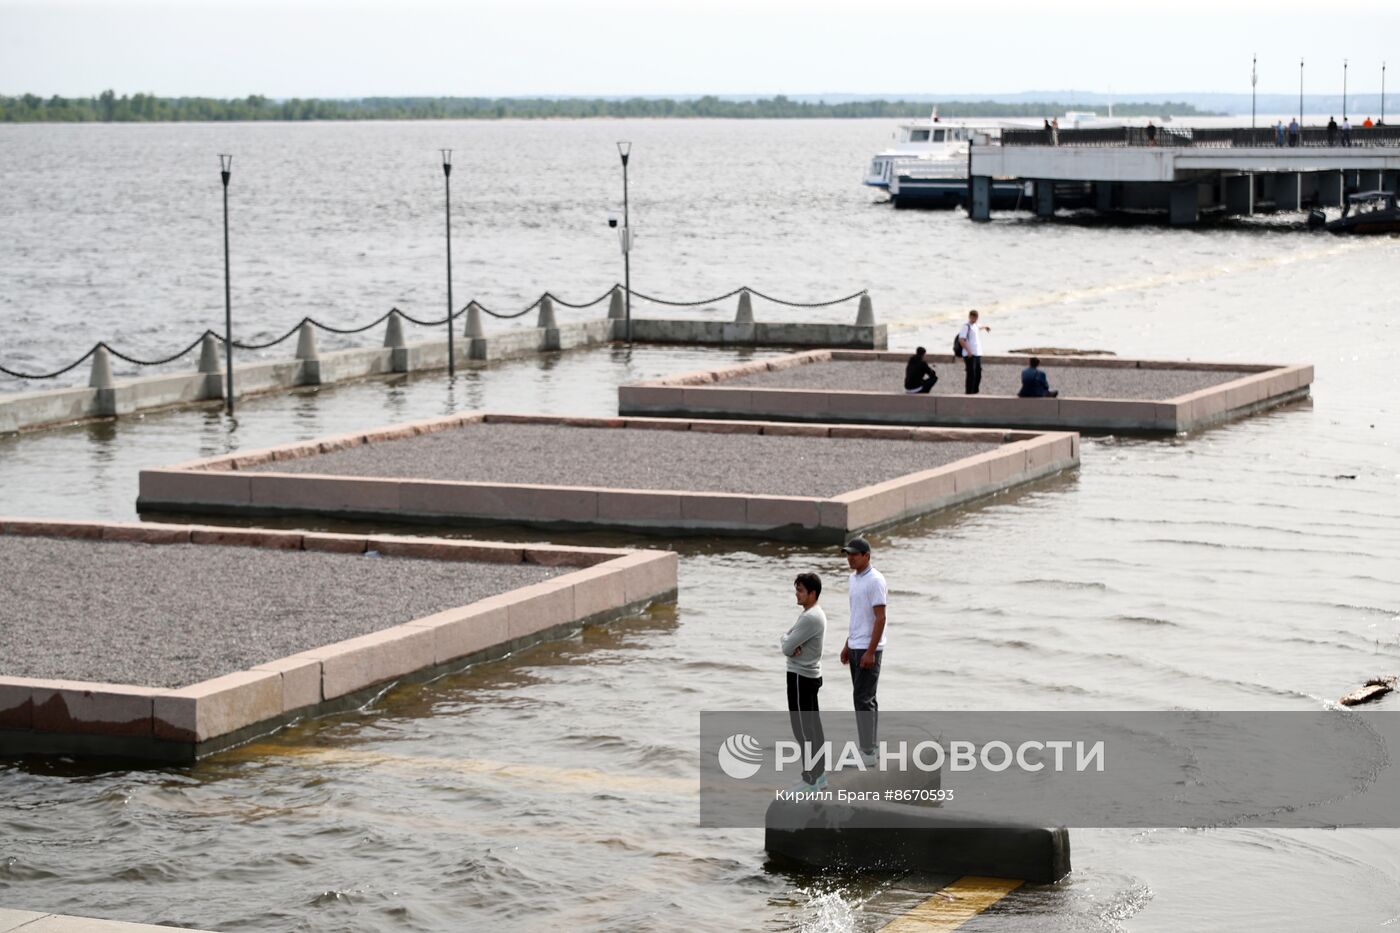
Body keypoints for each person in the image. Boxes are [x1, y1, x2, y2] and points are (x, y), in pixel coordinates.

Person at [839, 537, 886, 764]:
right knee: (865, 698)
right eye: (848, 554)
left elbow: (880, 618)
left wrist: (870, 651)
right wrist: (848, 644)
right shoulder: (853, 578)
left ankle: (867, 752)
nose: (850, 558)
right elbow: (857, 615)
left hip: (869, 648)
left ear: (866, 556)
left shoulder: (875, 580)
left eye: (854, 554)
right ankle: (870, 748)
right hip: (856, 645)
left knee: (863, 698)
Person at [781, 572, 827, 790]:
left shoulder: (809, 618)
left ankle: (810, 779)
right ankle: (819, 775)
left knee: (803, 730)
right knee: (813, 728)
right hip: (810, 676)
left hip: (800, 677)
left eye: (800, 590)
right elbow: (788, 640)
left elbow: (786, 646)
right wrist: (788, 639)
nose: (796, 594)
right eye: (796, 589)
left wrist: (788, 641)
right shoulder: (813, 614)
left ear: (812, 593)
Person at [957, 309, 988, 395]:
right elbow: (961, 340)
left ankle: (975, 391)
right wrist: (969, 351)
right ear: (970, 317)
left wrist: (985, 327)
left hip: (977, 353)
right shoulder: (966, 326)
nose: (974, 319)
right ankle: (968, 392)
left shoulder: (976, 325)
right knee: (971, 374)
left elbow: (979, 327)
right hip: (969, 354)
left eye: (975, 318)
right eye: (972, 317)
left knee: (978, 373)